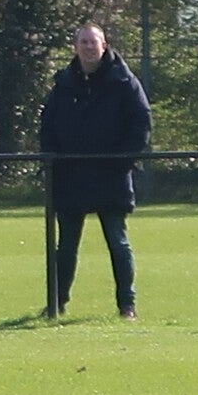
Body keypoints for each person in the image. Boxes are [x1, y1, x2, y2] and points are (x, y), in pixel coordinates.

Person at [37, 24, 151, 319]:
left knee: (118, 242)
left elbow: (141, 123)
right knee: (66, 246)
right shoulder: (63, 83)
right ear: (75, 47)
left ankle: (127, 305)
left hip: (111, 176)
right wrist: (52, 159)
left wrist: (123, 161)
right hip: (70, 176)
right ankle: (56, 304)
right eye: (84, 42)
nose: (89, 47)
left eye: (93, 42)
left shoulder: (124, 81)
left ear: (104, 45)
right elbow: (47, 126)